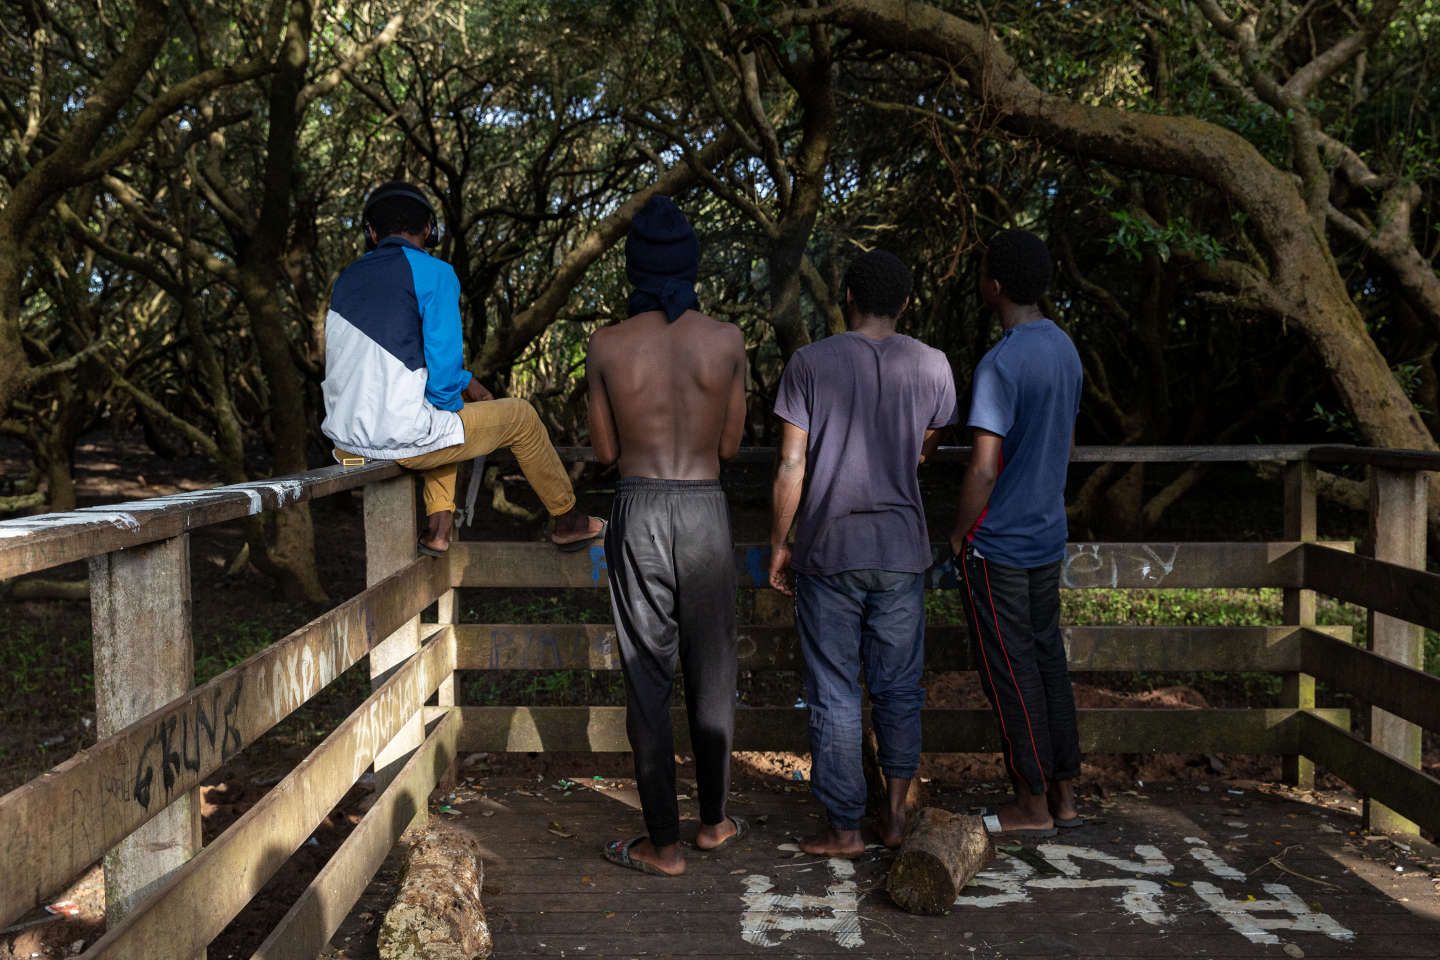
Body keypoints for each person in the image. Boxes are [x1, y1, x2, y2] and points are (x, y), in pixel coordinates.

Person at [769, 250, 957, 858]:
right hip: (902, 549)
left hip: (829, 549)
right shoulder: (934, 366)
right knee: (899, 688)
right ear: (904, 303)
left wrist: (779, 543)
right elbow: (927, 447)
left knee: (835, 689)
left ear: (846, 295)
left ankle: (845, 827)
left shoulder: (810, 364)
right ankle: (897, 817)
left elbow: (791, 463)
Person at [589, 195, 748, 877]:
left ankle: (663, 843)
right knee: (711, 671)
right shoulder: (727, 341)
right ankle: (713, 822)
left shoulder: (606, 345)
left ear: (632, 269)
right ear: (691, 266)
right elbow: (735, 444)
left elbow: (601, 449)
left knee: (647, 679)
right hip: (705, 508)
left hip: (640, 507)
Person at [321, 181, 604, 555]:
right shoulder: (435, 273)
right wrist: (458, 385)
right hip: (396, 439)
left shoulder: (347, 279)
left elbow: (391, 361)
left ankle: (439, 530)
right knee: (518, 416)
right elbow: (441, 382)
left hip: (346, 444)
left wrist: (466, 381)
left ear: (371, 232)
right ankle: (567, 520)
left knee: (445, 419)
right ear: (428, 229)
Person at [946, 228, 1083, 839]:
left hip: (998, 542)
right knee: (1048, 657)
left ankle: (1030, 803)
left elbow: (982, 465)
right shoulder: (1065, 350)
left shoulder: (1001, 363)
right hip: (1046, 534)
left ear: (995, 287)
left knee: (1011, 667)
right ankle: (1065, 794)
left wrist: (958, 534)